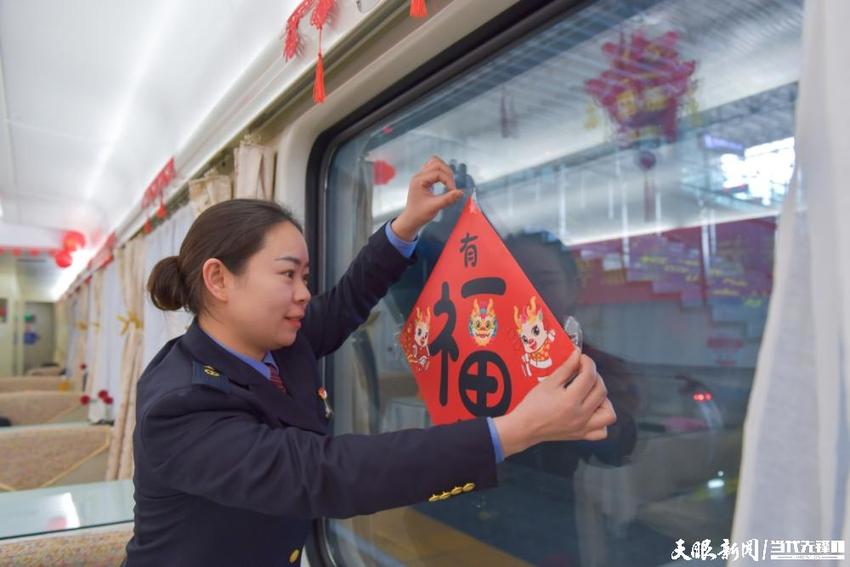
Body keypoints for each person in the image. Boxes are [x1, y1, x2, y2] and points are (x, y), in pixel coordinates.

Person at [123, 157, 617, 566]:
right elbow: (326, 474)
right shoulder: (181, 405)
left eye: (306, 276)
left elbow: (344, 302)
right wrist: (514, 430)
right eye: (288, 275)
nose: (304, 294)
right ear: (219, 280)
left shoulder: (276, 342)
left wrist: (408, 224)